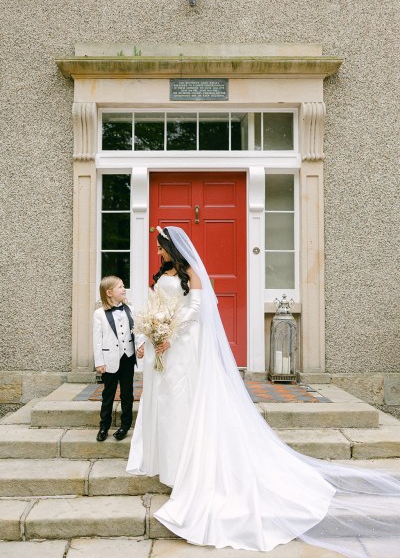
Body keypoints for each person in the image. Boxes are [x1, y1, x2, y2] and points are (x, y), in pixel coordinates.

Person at [127, 227, 400, 558]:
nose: (157, 253)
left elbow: (196, 309)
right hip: (163, 348)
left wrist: (169, 331)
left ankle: (186, 470)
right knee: (165, 405)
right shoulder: (162, 274)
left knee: (182, 404)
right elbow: (155, 305)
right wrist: (149, 338)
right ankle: (166, 463)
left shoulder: (193, 273)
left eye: (160, 248)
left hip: (183, 347)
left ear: (171, 247)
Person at [93, 276, 144, 442]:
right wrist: (99, 362)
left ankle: (125, 426)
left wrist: (140, 346)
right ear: (109, 293)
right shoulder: (99, 314)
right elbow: (97, 340)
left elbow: (137, 331)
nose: (124, 289)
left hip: (127, 357)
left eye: (123, 286)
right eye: (120, 287)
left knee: (127, 393)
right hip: (109, 360)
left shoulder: (130, 309)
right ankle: (104, 426)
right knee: (108, 394)